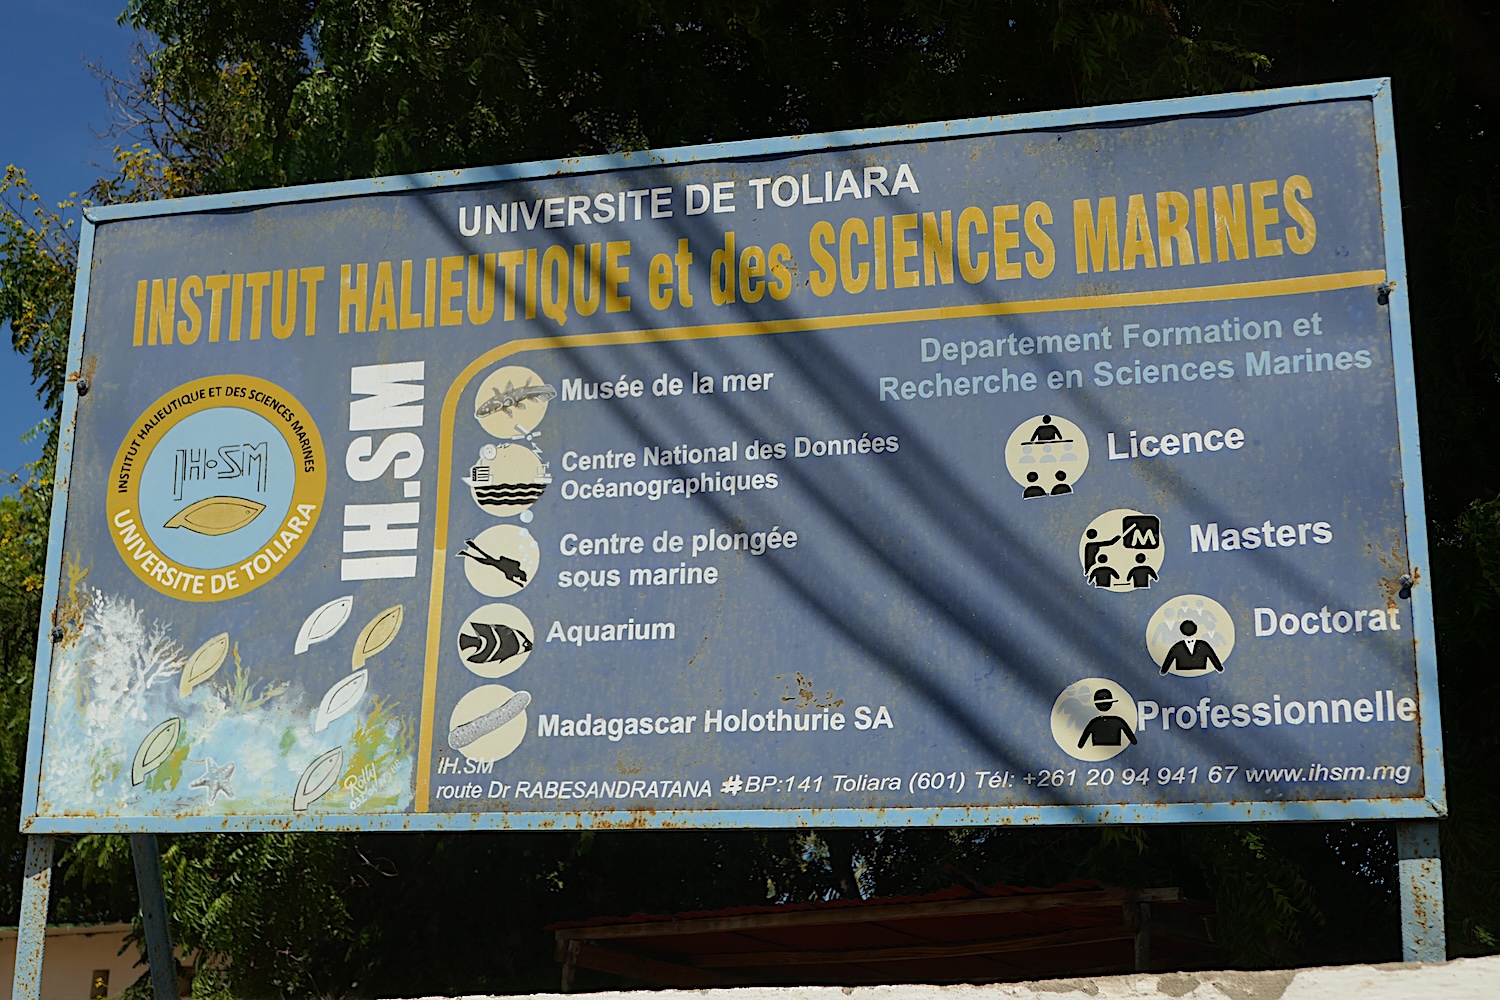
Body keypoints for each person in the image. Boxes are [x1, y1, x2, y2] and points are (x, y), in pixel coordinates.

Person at [1159, 619, 1224, 674]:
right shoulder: (1203, 644)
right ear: (1195, 630)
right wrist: (1219, 668)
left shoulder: (1177, 646)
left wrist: (1164, 671)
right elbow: (1212, 657)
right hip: (1200, 671)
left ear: (1182, 631)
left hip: (1182, 672)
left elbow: (1169, 660)